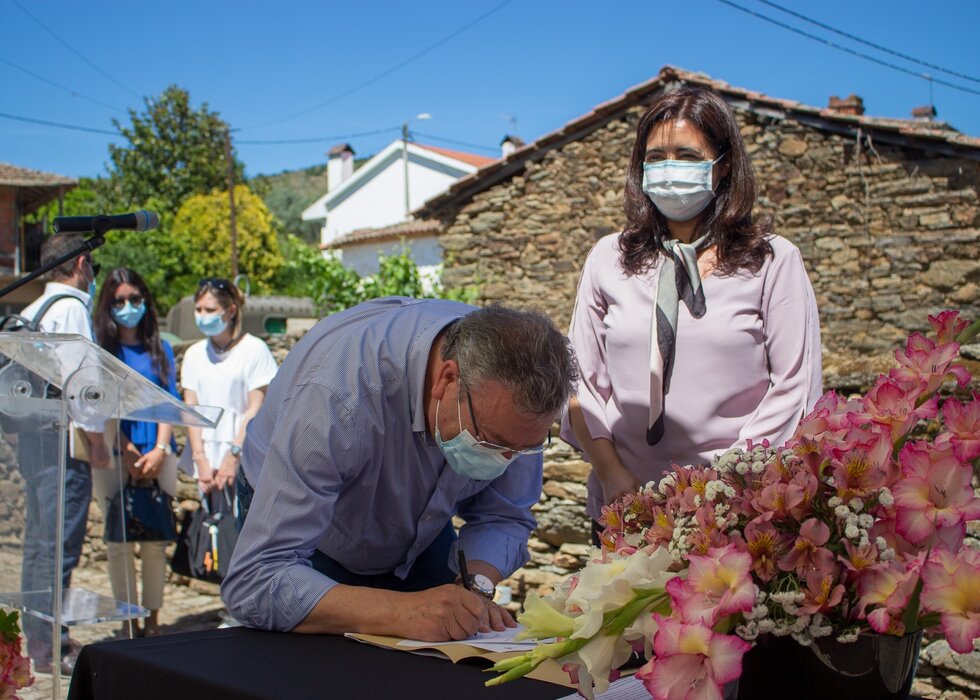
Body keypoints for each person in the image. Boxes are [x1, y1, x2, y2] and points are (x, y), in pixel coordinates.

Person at [222, 297, 577, 642]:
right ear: (446, 379)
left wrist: (475, 589)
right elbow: (257, 578)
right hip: (315, 540)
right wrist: (397, 612)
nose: (504, 459)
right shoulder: (338, 396)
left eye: (521, 450)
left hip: (421, 534)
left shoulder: (515, 408)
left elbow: (503, 516)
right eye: (489, 442)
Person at [561, 86, 823, 542]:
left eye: (685, 154)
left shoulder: (773, 261)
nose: (668, 168)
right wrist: (611, 475)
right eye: (656, 156)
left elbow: (794, 385)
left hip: (736, 509)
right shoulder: (608, 258)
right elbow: (578, 378)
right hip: (625, 505)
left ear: (721, 166)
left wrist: (727, 489)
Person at [16, 233, 110, 675]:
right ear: (81, 263)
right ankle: (52, 644)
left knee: (38, 545)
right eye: (90, 266)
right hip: (62, 445)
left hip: (33, 441)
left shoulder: (32, 308)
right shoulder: (70, 306)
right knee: (60, 546)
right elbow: (85, 382)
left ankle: (34, 638)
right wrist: (97, 443)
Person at [91, 268, 179, 638]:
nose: (128, 307)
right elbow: (99, 403)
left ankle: (153, 621)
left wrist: (159, 449)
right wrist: (125, 449)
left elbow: (170, 400)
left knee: (155, 542)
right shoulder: (100, 350)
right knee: (119, 543)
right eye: (120, 301)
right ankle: (127, 620)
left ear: (145, 301)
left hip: (159, 452)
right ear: (108, 305)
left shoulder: (162, 348)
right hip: (115, 452)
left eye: (135, 300)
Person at [180, 278, 277, 498]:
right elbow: (191, 409)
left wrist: (234, 454)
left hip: (242, 453)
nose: (203, 315)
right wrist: (200, 457)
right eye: (199, 309)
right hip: (205, 456)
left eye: (210, 309)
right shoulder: (194, 354)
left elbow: (255, 408)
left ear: (231, 310)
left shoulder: (254, 350)